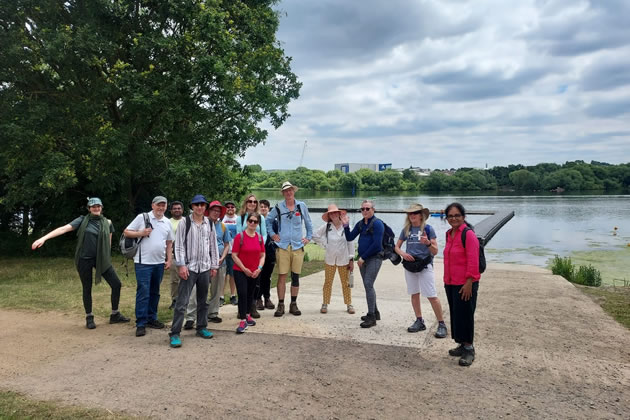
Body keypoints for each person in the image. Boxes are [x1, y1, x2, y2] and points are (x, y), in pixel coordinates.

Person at [31, 197, 130, 329]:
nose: (96, 208)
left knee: (116, 284)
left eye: (98, 206)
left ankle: (115, 314)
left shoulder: (108, 222)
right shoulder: (82, 220)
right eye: (93, 206)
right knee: (87, 287)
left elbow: (109, 241)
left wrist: (106, 256)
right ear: (89, 208)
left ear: (101, 207)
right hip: (84, 259)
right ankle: (89, 317)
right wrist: (43, 238)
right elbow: (63, 229)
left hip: (101, 259)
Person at [168, 195, 219, 348]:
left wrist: (214, 265)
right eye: (196, 205)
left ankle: (201, 327)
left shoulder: (209, 223)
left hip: (204, 267)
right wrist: (181, 265)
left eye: (202, 205)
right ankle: (175, 333)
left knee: (203, 301)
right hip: (189, 267)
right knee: (182, 301)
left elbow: (213, 245)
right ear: (192, 206)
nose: (199, 207)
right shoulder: (185, 222)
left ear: (205, 207)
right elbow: (179, 245)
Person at [394, 203, 447, 338]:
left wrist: (428, 243)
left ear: (421, 215)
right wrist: (403, 254)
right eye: (410, 213)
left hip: (424, 265)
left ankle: (441, 323)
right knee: (414, 293)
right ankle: (419, 320)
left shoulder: (428, 229)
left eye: (415, 213)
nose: (412, 215)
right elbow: (397, 247)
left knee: (431, 295)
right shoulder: (406, 230)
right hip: (410, 266)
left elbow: (435, 251)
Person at [123, 196, 174, 337]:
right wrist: (141, 233)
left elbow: (169, 242)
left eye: (163, 205)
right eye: (158, 205)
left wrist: (169, 260)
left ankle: (152, 318)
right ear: (153, 205)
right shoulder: (142, 217)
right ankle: (141, 322)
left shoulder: (167, 222)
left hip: (158, 263)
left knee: (155, 292)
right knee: (143, 292)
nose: (161, 208)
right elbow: (126, 232)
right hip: (143, 262)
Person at [266, 181, 313, 317]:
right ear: (283, 193)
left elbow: (309, 223)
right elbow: (268, 221)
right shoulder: (278, 207)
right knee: (282, 275)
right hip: (283, 247)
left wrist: (308, 238)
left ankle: (293, 304)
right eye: (286, 191)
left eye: (290, 190)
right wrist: (272, 234)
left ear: (294, 191)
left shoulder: (301, 206)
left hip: (298, 246)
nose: (288, 192)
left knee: (296, 276)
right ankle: (281, 304)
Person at [443, 202, 481, 367]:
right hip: (451, 281)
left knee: (466, 314)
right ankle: (461, 343)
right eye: (450, 216)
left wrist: (469, 282)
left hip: (465, 283)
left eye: (457, 215)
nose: (453, 218)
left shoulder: (468, 234)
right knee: (456, 314)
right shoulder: (449, 234)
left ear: (463, 217)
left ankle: (469, 348)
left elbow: (473, 260)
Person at [182, 200, 231, 328]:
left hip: (219, 262)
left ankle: (213, 313)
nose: (216, 213)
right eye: (214, 210)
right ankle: (191, 317)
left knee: (216, 289)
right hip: (200, 263)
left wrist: (222, 257)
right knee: (194, 291)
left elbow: (227, 244)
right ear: (209, 211)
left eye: (219, 211)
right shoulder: (202, 222)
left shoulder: (223, 226)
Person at [342, 200, 383, 328]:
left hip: (374, 258)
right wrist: (346, 225)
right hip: (363, 260)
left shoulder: (378, 224)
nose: (365, 211)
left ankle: (371, 317)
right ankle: (375, 312)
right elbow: (349, 237)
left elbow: (377, 245)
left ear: (373, 210)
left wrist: (363, 258)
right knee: (368, 286)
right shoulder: (361, 224)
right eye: (363, 209)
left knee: (368, 284)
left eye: (367, 209)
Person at [312, 204, 355, 314]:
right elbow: (315, 235)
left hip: (343, 259)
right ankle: (325, 303)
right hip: (330, 259)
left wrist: (351, 259)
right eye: (331, 213)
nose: (334, 215)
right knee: (328, 282)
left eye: (336, 212)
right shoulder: (326, 226)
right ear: (329, 216)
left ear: (340, 214)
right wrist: (324, 244)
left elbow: (351, 243)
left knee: (345, 283)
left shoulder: (346, 227)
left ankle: (349, 304)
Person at [231, 212, 266, 334]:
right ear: (246, 222)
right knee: (242, 293)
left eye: (255, 221)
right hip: (240, 270)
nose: (252, 223)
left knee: (251, 294)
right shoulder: (239, 237)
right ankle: (242, 320)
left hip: (254, 272)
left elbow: (262, 255)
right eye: (250, 221)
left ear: (258, 224)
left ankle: (247, 315)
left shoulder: (260, 238)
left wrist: (259, 268)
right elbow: (234, 255)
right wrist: (244, 268)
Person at [236, 193, 267, 318]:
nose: (252, 204)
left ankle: (252, 306)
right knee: (242, 285)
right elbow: (239, 234)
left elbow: (264, 234)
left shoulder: (261, 218)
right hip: (243, 254)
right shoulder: (241, 218)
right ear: (246, 203)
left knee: (255, 282)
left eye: (255, 202)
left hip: (257, 254)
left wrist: (259, 246)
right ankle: (241, 309)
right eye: (250, 201)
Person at [255, 199, 276, 311]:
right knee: (258, 276)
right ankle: (258, 299)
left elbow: (277, 236)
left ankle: (267, 297)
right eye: (261, 206)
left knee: (267, 277)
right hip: (258, 253)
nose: (263, 208)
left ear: (269, 208)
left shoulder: (273, 221)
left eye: (265, 207)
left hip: (270, 252)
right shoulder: (255, 220)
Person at [168, 201, 184, 310]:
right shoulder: (167, 222)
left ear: (182, 210)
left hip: (185, 254)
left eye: (179, 208)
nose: (177, 210)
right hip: (173, 253)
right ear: (171, 211)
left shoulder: (187, 221)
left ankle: (184, 299)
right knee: (174, 279)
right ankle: (175, 299)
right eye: (175, 208)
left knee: (184, 278)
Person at [222, 200, 238, 306]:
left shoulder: (238, 219)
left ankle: (233, 295)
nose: (230, 208)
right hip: (223, 252)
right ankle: (221, 296)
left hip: (234, 252)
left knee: (233, 275)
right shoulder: (221, 219)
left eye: (232, 207)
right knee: (223, 275)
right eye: (228, 207)